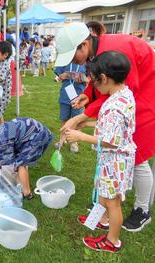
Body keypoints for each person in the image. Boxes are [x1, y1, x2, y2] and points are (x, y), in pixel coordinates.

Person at [56, 22, 155, 232]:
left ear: (84, 45)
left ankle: (142, 209)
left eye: (74, 56)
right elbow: (100, 82)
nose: (75, 62)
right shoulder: (99, 53)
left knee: (137, 156)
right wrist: (88, 96)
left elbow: (119, 91)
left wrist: (81, 119)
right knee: (120, 161)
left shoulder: (117, 54)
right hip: (130, 101)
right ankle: (103, 213)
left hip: (145, 100)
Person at [65, 51, 136, 253]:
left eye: (95, 81)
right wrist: (87, 123)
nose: (94, 86)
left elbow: (111, 141)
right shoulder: (124, 94)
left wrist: (80, 137)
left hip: (115, 161)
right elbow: (111, 127)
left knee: (113, 202)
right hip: (113, 161)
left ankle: (112, 241)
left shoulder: (114, 106)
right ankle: (101, 220)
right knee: (105, 196)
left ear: (104, 78)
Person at [0, 118, 52, 199]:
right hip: (34, 131)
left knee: (21, 164)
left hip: (37, 138)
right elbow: (2, 146)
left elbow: (0, 161)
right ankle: (20, 181)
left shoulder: (3, 140)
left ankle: (27, 193)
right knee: (19, 160)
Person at [54, 62, 87, 153]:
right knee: (64, 118)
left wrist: (69, 75)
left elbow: (88, 79)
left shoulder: (86, 63)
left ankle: (74, 142)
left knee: (76, 119)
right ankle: (62, 139)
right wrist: (62, 75)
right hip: (65, 95)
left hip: (79, 96)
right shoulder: (66, 60)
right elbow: (59, 75)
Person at [0, 41, 12, 124]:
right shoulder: (0, 63)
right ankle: (0, 130)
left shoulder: (4, 64)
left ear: (5, 55)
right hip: (0, 94)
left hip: (3, 95)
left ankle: (2, 132)